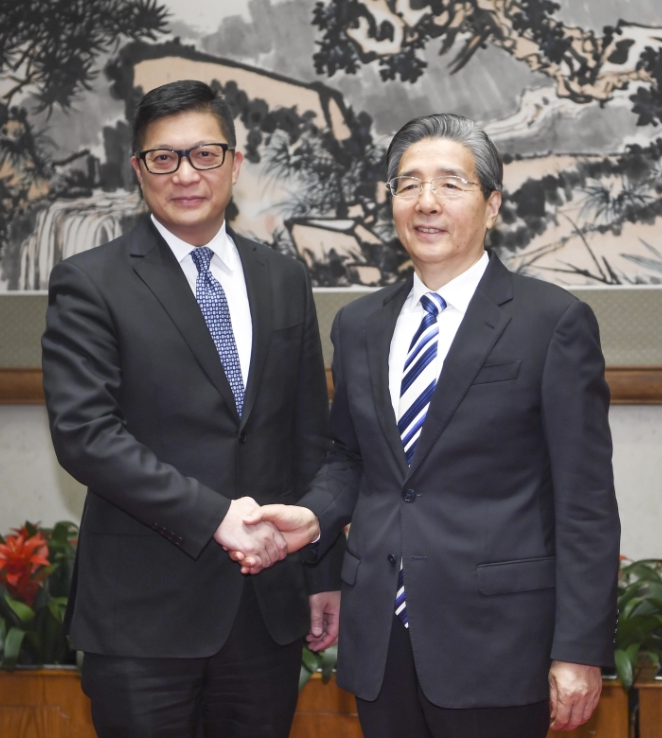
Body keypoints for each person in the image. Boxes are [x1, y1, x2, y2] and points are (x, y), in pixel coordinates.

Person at [233, 114, 621, 738]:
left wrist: (579, 650)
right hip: (381, 635)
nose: (426, 202)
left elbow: (586, 502)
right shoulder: (359, 325)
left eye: (450, 184)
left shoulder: (553, 322)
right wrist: (313, 517)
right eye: (408, 184)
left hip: (499, 641)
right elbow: (350, 458)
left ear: (492, 205)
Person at [41, 79, 344, 738]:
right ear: (138, 170)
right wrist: (215, 517)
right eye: (164, 158)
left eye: (205, 154)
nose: (185, 174)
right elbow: (86, 436)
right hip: (143, 615)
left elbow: (308, 438)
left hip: (265, 608)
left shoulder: (284, 278)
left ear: (235, 164)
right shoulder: (91, 282)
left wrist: (323, 573)